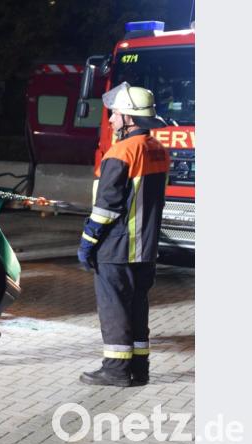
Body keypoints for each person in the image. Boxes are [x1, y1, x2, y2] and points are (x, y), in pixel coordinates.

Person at [77, 82, 170, 387]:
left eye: (115, 113)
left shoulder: (121, 153)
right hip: (146, 249)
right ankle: (139, 369)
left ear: (129, 118)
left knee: (115, 309)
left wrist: (87, 243)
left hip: (117, 248)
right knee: (137, 308)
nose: (111, 119)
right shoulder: (157, 150)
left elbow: (106, 208)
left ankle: (115, 369)